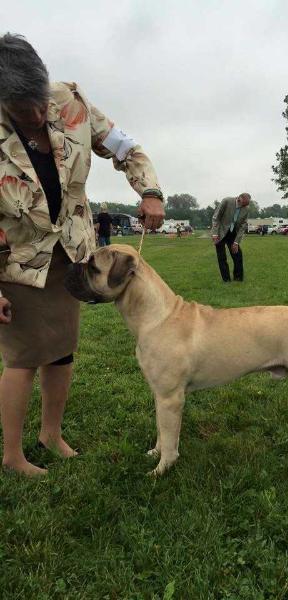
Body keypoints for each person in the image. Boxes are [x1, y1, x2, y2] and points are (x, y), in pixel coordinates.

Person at [0, 33, 165, 476]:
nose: (38, 115)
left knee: (62, 350)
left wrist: (148, 189)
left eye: (39, 102)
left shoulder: (70, 102)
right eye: (23, 110)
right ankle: (13, 455)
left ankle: (50, 434)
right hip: (15, 261)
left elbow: (126, 147)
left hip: (73, 253)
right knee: (23, 356)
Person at [211, 193, 250, 282]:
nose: (244, 207)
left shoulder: (246, 209)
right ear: (239, 198)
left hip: (232, 233)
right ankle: (226, 279)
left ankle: (238, 278)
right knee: (222, 257)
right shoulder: (226, 201)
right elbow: (216, 217)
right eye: (243, 204)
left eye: (246, 205)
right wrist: (214, 233)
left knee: (238, 255)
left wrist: (236, 242)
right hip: (220, 232)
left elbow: (243, 226)